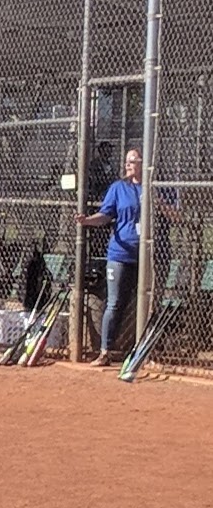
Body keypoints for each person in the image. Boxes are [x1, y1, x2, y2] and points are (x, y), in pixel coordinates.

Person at [77, 148, 174, 366]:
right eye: (127, 162)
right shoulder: (118, 188)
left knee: (149, 303)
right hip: (121, 254)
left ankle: (146, 352)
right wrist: (88, 220)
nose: (128, 165)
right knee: (115, 303)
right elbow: (105, 215)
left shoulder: (161, 186)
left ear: (144, 163)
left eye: (133, 161)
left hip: (152, 256)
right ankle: (105, 351)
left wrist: (156, 201)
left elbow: (177, 216)